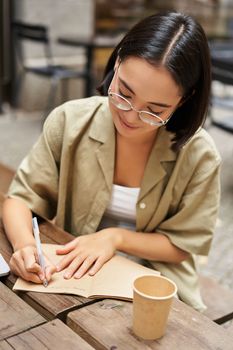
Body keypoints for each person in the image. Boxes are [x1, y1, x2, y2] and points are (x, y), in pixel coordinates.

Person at [2, 11, 221, 312]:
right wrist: (25, 247)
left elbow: (183, 245)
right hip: (71, 278)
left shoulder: (200, 156)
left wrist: (114, 238)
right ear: (117, 62)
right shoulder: (69, 121)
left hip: (156, 285)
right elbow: (20, 198)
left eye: (154, 110)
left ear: (184, 99)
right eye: (124, 94)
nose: (130, 117)